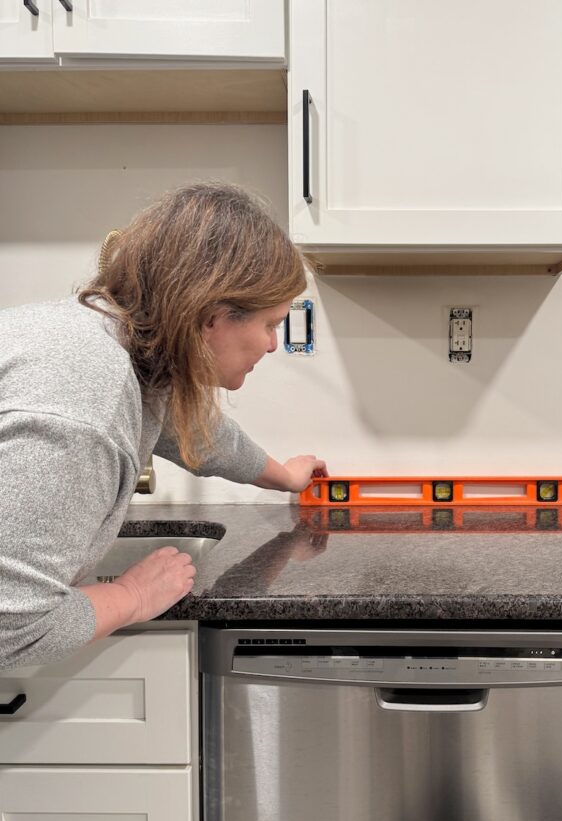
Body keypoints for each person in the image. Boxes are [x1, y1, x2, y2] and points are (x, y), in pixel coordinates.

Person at [0, 182, 326, 671]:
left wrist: (283, 475)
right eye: (270, 324)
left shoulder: (118, 346)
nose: (273, 345)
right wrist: (132, 595)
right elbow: (12, 627)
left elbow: (187, 429)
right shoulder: (87, 403)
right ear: (212, 316)